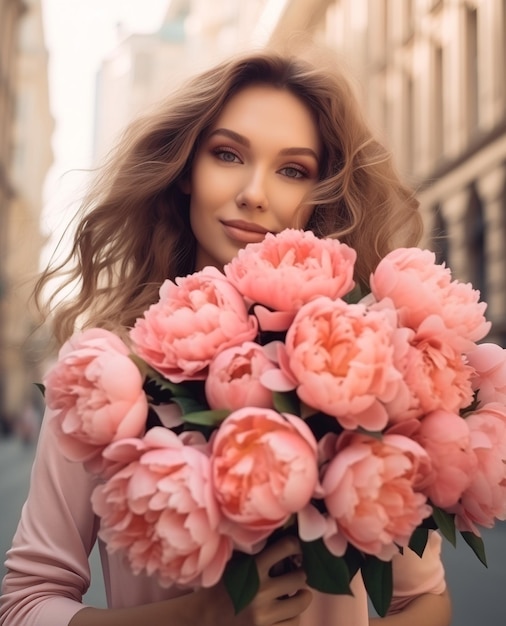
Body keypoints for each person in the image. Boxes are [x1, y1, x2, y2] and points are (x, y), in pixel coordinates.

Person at [0, 47, 452, 626]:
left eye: (293, 169)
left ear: (320, 193)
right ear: (187, 169)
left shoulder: (363, 358)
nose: (255, 193)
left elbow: (423, 600)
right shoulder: (101, 372)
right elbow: (27, 605)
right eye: (228, 155)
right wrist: (205, 614)